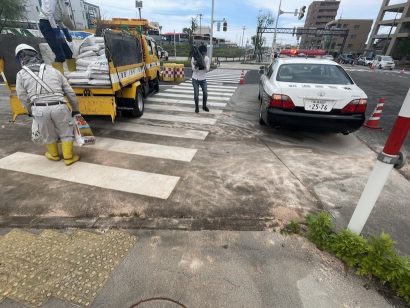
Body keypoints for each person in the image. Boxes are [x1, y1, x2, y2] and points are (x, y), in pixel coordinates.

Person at [15, 44, 81, 166]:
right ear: (37, 55)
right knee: (66, 132)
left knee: (48, 134)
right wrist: (76, 109)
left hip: (39, 108)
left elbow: (23, 97)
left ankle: (54, 155)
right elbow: (69, 91)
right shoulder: (53, 70)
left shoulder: (20, 75)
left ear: (21, 59)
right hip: (59, 106)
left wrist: (30, 111)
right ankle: (69, 158)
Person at [38, 0, 75, 74]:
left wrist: (65, 31)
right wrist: (56, 30)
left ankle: (73, 74)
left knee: (68, 53)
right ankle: (58, 79)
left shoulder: (61, 2)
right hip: (46, 24)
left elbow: (58, 18)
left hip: (54, 24)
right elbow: (49, 15)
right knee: (60, 56)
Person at [191, 45, 210, 113]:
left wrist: (204, 65)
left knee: (205, 93)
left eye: (204, 54)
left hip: (203, 79)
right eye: (202, 54)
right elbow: (193, 69)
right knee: (196, 95)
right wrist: (197, 65)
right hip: (195, 79)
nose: (203, 56)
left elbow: (207, 70)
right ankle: (197, 107)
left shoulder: (207, 59)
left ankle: (204, 106)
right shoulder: (194, 58)